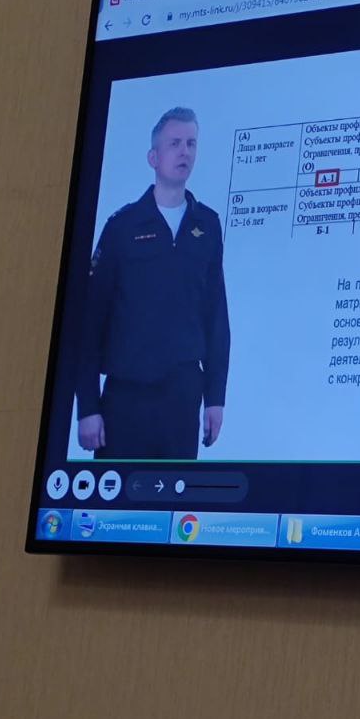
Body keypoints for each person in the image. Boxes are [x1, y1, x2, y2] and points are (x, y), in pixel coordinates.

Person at [76, 106, 231, 460]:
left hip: (182, 397)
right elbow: (90, 320)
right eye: (174, 143)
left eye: (191, 143)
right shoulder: (122, 226)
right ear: (153, 157)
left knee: (175, 491)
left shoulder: (207, 225)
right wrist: (87, 406)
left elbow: (216, 317)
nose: (184, 152)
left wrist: (215, 398)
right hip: (126, 396)